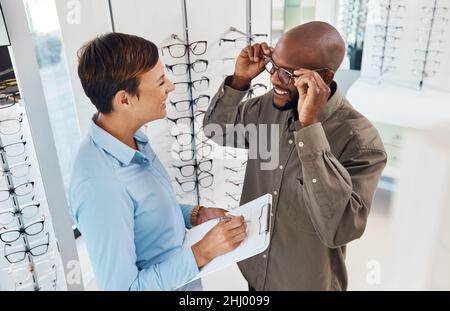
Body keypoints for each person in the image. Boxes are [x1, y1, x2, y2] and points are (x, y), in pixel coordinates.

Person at [203, 21, 387, 290]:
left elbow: (342, 228)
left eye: (289, 73)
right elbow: (216, 130)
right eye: (274, 67)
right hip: (255, 273)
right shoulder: (268, 107)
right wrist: (240, 80)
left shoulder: (360, 141)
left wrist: (310, 127)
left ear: (324, 78)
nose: (276, 79)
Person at [69, 32, 247, 291]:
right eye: (161, 81)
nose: (171, 87)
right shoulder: (98, 186)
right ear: (124, 100)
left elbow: (144, 211)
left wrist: (194, 215)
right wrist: (202, 253)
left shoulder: (131, 139)